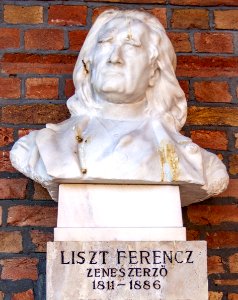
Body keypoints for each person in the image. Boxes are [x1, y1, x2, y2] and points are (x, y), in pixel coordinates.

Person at [10, 10, 228, 205]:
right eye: (105, 43)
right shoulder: (39, 149)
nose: (115, 58)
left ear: (153, 70)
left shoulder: (200, 165)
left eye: (131, 45)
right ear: (89, 63)